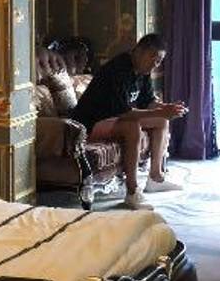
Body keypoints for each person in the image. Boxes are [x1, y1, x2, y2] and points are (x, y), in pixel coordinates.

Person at [71, 34, 187, 210]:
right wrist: (161, 111)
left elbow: (148, 102)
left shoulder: (143, 72)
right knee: (132, 127)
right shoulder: (118, 69)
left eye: (159, 61)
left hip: (112, 119)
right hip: (89, 124)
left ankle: (155, 178)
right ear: (138, 51)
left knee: (161, 121)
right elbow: (125, 113)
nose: (155, 64)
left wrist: (167, 108)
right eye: (153, 58)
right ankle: (132, 192)